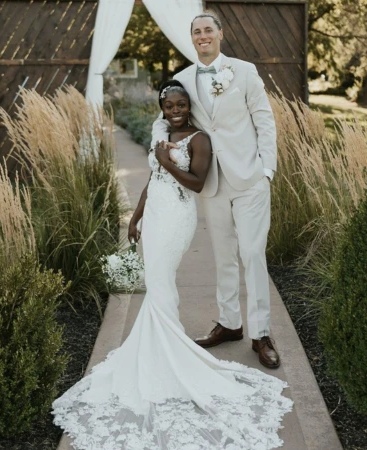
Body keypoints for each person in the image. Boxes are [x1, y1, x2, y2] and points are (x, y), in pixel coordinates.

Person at [52, 81, 292, 449]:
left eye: (181, 104)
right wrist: (135, 217)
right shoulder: (162, 133)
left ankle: (171, 355)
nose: (176, 109)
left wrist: (166, 159)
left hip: (179, 216)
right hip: (156, 213)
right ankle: (160, 348)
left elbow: (197, 183)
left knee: (161, 280)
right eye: (169, 105)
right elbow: (154, 177)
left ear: (189, 106)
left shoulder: (199, 139)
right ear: (162, 108)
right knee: (156, 279)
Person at [151, 11, 280, 369]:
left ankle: (261, 333)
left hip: (250, 177)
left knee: (253, 254)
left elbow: (264, 119)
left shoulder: (244, 70)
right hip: (211, 182)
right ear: (192, 38)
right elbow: (164, 120)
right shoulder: (182, 79)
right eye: (197, 31)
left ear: (220, 34)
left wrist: (266, 169)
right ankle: (229, 325)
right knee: (223, 256)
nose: (203, 36)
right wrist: (160, 147)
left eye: (209, 30)